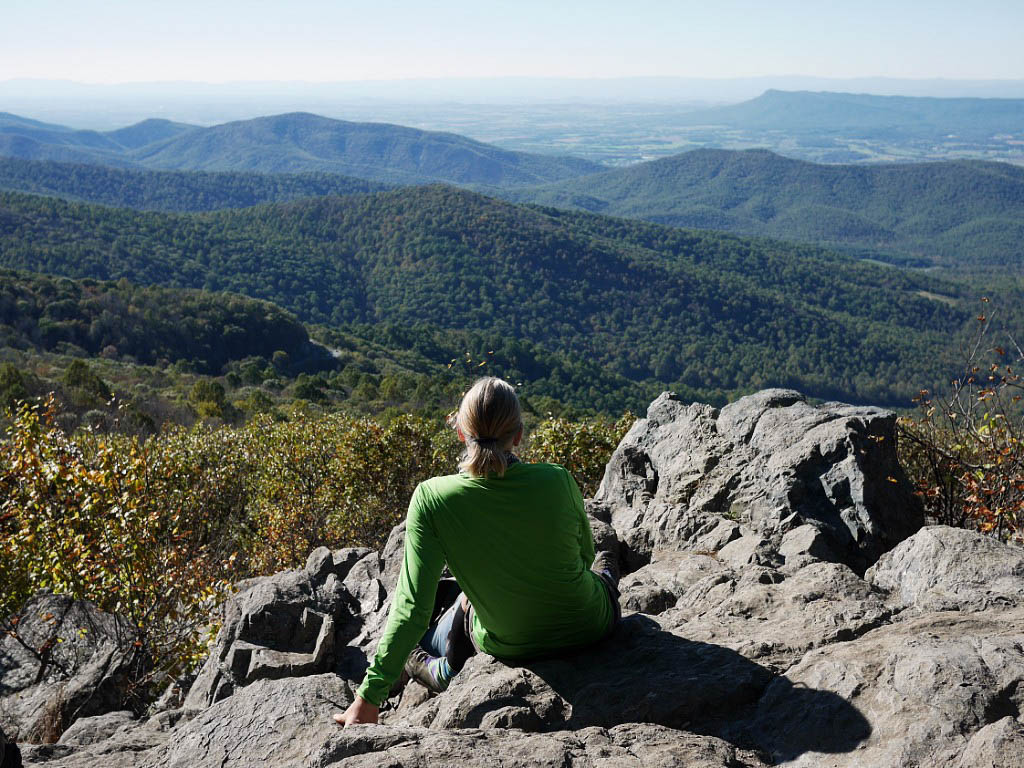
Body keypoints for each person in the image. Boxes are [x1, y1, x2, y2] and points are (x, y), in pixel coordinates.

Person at [334, 376, 619, 727]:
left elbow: (412, 609)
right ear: (519, 435)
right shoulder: (557, 479)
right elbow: (582, 557)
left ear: (459, 432)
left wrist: (368, 699)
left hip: (510, 644)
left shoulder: (432, 498)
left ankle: (443, 669)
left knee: (464, 604)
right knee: (604, 564)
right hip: (591, 626)